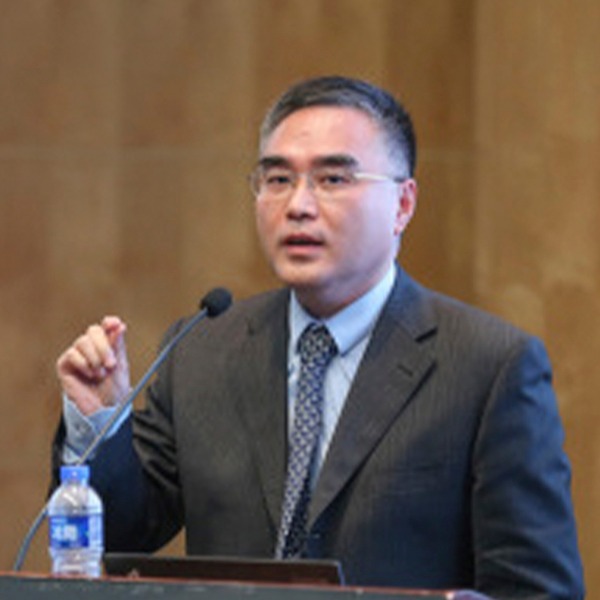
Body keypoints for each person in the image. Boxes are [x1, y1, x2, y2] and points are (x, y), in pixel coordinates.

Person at [52, 76, 584, 598]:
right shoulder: (201, 352)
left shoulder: (488, 366)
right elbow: (115, 540)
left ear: (403, 205)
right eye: (278, 179)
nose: (298, 205)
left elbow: (538, 589)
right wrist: (100, 423)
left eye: (332, 179)